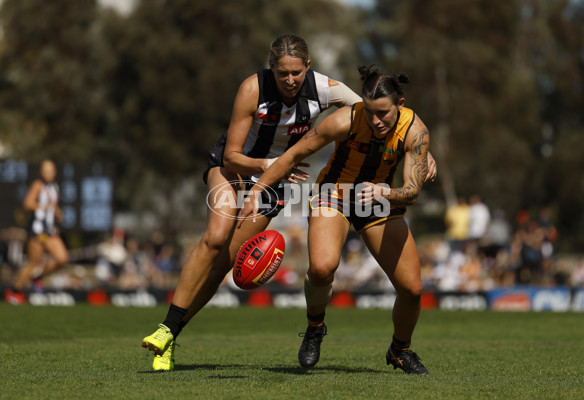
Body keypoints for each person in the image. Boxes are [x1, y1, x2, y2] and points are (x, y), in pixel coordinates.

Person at [140, 34, 438, 371]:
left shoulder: (337, 94)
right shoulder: (256, 89)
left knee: (412, 289)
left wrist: (423, 152)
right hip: (244, 170)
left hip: (322, 188)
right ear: (272, 68)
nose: (290, 80)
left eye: (297, 72)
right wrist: (259, 181)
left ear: (307, 67)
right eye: (283, 73)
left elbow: (387, 115)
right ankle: (169, 329)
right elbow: (237, 155)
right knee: (217, 240)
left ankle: (400, 349)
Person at [239, 65, 433, 374]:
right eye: (369, 112)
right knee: (321, 267)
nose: (375, 121)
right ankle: (315, 327)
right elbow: (291, 157)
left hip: (379, 198)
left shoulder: (415, 132)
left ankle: (400, 350)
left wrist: (385, 193)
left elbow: (411, 191)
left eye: (382, 113)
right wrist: (257, 190)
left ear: (401, 105)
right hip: (335, 193)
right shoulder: (344, 120)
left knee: (411, 290)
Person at [4, 160, 69, 305]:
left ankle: (38, 278)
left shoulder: (54, 187)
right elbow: (27, 204)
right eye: (46, 171)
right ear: (41, 172)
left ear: (54, 172)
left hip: (50, 231)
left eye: (50, 171)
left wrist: (58, 212)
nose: (48, 174)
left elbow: (53, 205)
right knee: (33, 262)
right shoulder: (38, 185)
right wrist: (43, 206)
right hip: (36, 231)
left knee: (63, 259)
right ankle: (15, 291)